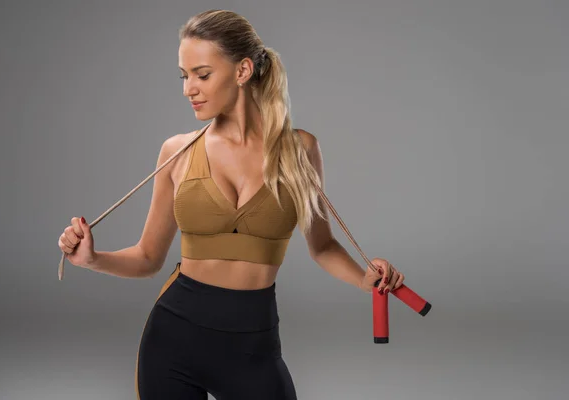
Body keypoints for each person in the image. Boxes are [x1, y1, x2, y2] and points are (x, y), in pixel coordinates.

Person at [57, 9, 406, 400]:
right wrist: (92, 259)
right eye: (184, 75)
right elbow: (148, 257)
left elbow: (322, 246)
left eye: (202, 74)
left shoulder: (299, 151)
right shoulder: (177, 152)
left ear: (242, 71)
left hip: (253, 350)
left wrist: (364, 279)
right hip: (172, 341)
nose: (188, 88)